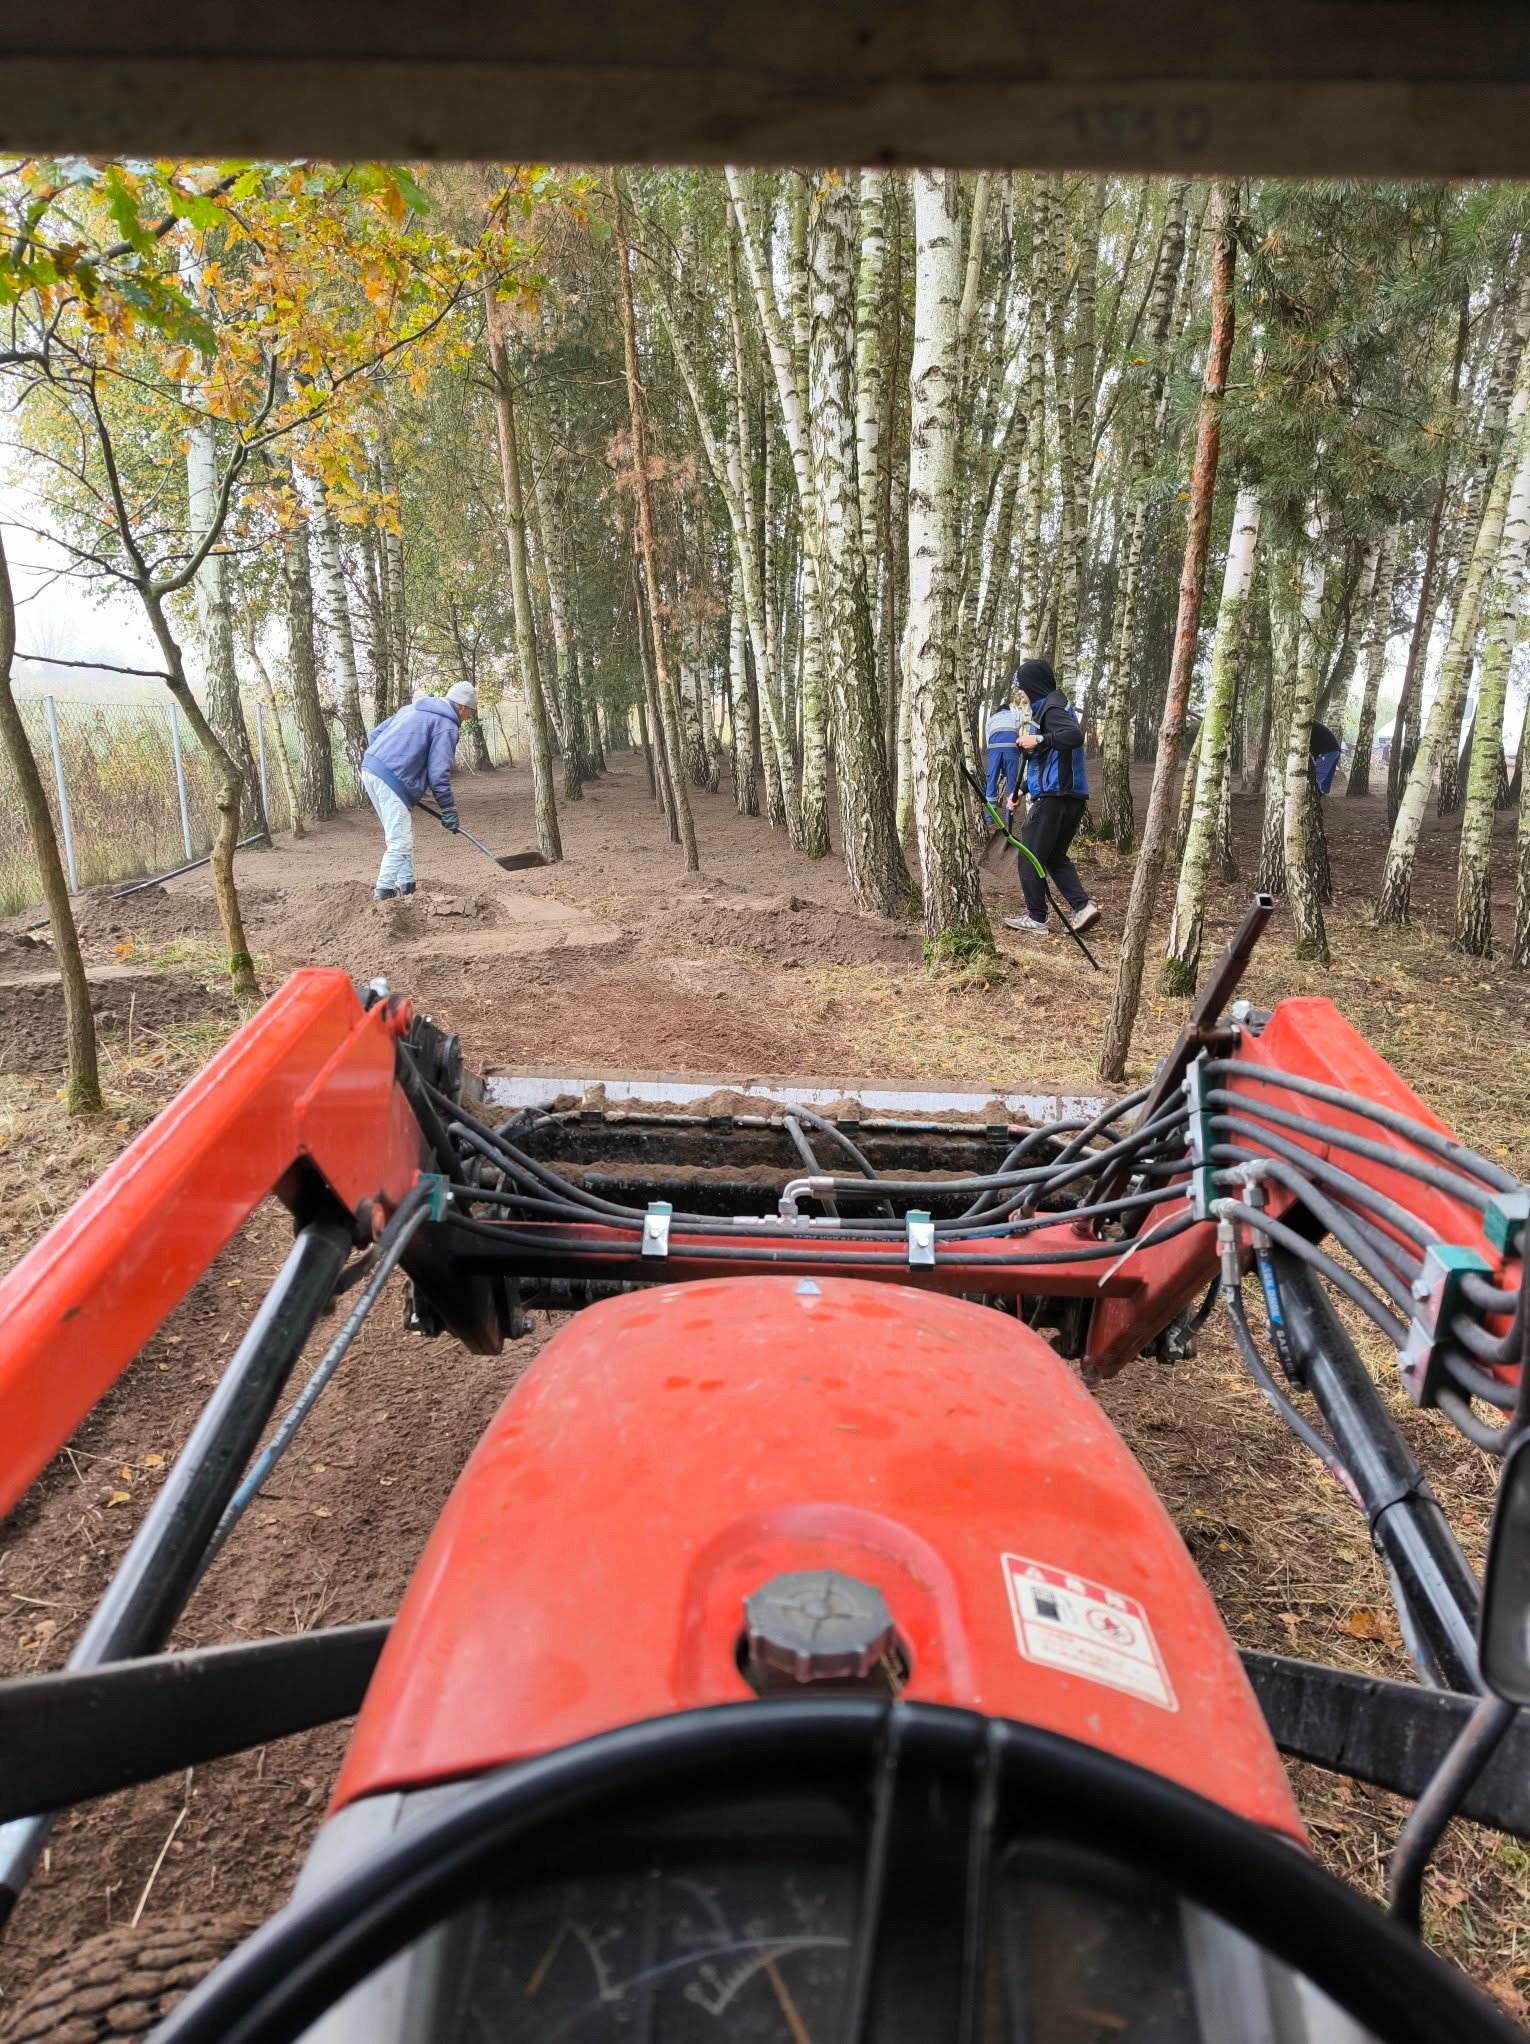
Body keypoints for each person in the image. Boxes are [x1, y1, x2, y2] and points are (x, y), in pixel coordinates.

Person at [1003, 657, 1101, 937]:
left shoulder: (1053, 708)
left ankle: (1037, 918)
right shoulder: (1052, 708)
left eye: (1022, 687)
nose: (1021, 693)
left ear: (1032, 686)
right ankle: (1083, 908)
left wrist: (1039, 739)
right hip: (1071, 797)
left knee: (1029, 855)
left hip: (1056, 797)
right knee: (1054, 856)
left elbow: (1072, 736)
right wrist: (1021, 790)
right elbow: (1050, 761)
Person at [359, 681, 477, 901]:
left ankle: (407, 886)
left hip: (370, 768)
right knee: (400, 842)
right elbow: (439, 773)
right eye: (470, 711)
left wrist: (397, 775)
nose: (469, 717)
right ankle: (383, 893)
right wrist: (448, 808)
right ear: (461, 707)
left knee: (400, 836)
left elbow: (374, 735)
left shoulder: (412, 708)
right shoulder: (447, 725)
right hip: (389, 778)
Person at [984, 698, 1023, 806]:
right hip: (1011, 749)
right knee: (1012, 782)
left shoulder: (991, 719)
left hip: (994, 750)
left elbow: (988, 740)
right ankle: (1009, 816)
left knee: (991, 781)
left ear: (998, 712)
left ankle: (990, 817)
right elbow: (1022, 731)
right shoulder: (1015, 714)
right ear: (1008, 710)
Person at [1309, 719, 1342, 797]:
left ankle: (1314, 796)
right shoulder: (1310, 723)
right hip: (1334, 750)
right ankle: (1324, 798)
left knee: (1317, 776)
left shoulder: (1306, 724)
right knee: (1327, 777)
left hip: (1327, 752)